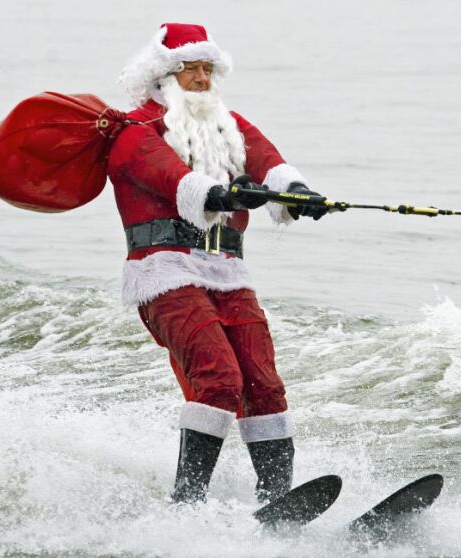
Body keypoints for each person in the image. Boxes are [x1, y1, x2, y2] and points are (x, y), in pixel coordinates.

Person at [107, 22, 328, 504]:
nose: (203, 80)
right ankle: (187, 505)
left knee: (263, 384)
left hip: (227, 273)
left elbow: (269, 162)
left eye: (209, 69)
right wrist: (222, 193)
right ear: (164, 76)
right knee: (220, 379)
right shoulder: (134, 134)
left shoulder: (230, 127)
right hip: (164, 274)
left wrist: (298, 194)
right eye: (191, 70)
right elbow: (173, 178)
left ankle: (277, 502)